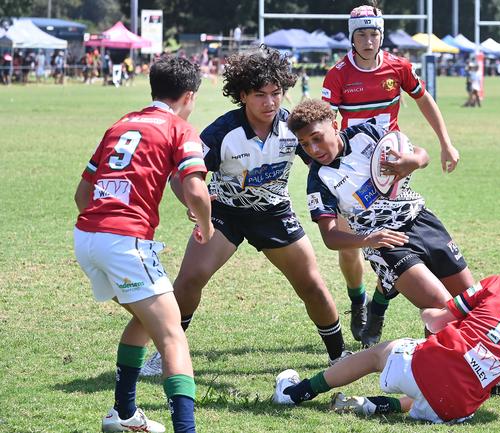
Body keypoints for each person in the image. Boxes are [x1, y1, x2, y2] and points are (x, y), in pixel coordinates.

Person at [287, 99, 500, 398]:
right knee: (443, 309)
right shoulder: (319, 179)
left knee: (472, 306)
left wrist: (413, 162)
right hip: (386, 244)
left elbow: (421, 154)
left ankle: (483, 381)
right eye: (304, 143)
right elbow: (330, 237)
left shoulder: (369, 133)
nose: (313, 149)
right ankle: (438, 383)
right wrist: (369, 240)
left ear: (335, 125)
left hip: (423, 222)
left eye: (316, 138)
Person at [140, 46, 350, 377]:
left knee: (311, 284)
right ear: (243, 95)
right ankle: (165, 354)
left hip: (274, 212)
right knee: (190, 278)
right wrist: (195, 207)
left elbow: (323, 161)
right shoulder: (222, 131)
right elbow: (181, 178)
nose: (270, 102)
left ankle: (339, 355)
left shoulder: (292, 127)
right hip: (225, 214)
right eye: (260, 95)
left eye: (276, 93)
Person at [73, 56, 213, 433]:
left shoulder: (121, 124)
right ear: (189, 95)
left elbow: (82, 193)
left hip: (86, 237)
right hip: (124, 242)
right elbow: (197, 191)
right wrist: (205, 223)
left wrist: (103, 227)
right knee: (172, 337)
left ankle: (123, 415)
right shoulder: (179, 128)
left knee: (144, 317)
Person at [273, 248, 500, 424]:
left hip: (429, 373)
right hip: (456, 411)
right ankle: (371, 406)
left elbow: (439, 320)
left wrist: (428, 313)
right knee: (445, 382)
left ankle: (294, 394)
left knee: (379, 354)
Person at [321, 4, 461, 346]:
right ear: (352, 37)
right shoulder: (337, 75)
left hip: (391, 167)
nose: (369, 41)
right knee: (350, 248)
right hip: (352, 173)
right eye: (362, 35)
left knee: (395, 240)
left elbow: (424, 100)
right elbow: (325, 122)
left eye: (374, 34)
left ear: (381, 35)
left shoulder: (398, 67)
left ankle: (379, 305)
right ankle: (360, 301)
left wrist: (446, 143)